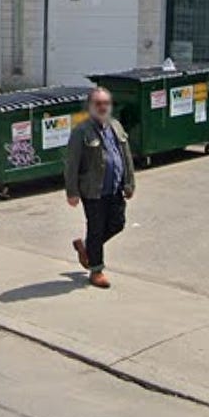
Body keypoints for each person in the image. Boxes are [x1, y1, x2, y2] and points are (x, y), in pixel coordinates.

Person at [64, 87, 136, 289]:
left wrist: (130, 182)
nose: (103, 107)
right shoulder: (81, 131)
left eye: (106, 103)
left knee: (117, 223)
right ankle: (96, 270)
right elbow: (72, 163)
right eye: (98, 103)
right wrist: (72, 192)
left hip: (115, 188)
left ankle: (87, 248)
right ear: (90, 107)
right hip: (92, 190)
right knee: (96, 229)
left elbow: (126, 157)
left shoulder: (116, 126)